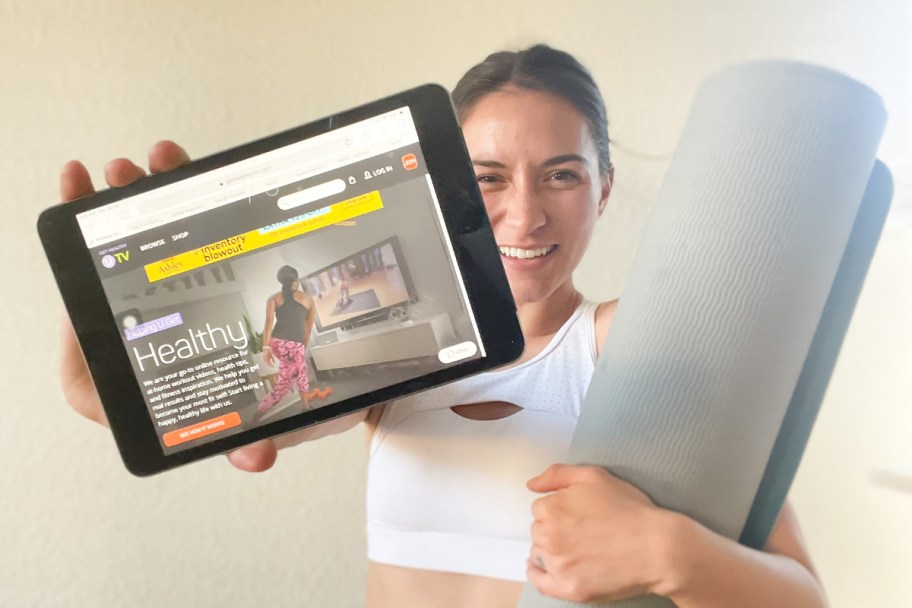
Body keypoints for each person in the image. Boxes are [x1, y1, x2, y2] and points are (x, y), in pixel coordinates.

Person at [58, 45, 827, 607]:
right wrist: (145, 378)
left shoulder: (641, 346)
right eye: (488, 178)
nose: (524, 215)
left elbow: (802, 597)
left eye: (563, 174)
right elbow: (255, 442)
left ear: (603, 191)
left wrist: (669, 552)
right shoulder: (401, 353)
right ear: (446, 189)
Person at [256, 265, 316, 414]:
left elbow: (269, 322)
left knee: (289, 374)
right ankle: (306, 407)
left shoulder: (274, 298)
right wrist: (302, 347)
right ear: (296, 279)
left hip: (277, 344)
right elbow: (308, 328)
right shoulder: (308, 299)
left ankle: (259, 413)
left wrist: (266, 348)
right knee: (301, 371)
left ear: (281, 281)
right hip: (295, 345)